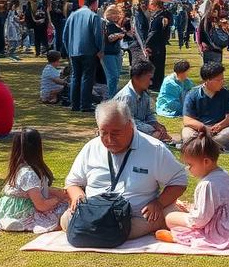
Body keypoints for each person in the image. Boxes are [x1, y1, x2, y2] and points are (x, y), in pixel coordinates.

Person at [60, 100, 188, 238]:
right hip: (93, 214)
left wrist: (158, 203)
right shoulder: (92, 147)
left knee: (164, 217)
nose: (109, 139)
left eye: (115, 133)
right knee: (66, 221)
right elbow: (73, 182)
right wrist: (78, 197)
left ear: (130, 125)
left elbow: (179, 180)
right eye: (103, 133)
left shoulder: (153, 149)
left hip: (135, 217)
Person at [156, 129, 229, 249]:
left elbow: (199, 220)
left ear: (206, 162)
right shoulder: (223, 174)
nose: (188, 168)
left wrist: (188, 216)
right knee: (178, 213)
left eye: (190, 165)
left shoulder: (207, 184)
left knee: (170, 218)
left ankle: (177, 236)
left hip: (220, 230)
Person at [0, 128, 68, 233]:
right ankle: (15, 222)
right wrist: (57, 200)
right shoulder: (29, 174)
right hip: (23, 211)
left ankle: (10, 220)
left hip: (8, 208)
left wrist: (56, 192)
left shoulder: (20, 167)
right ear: (37, 147)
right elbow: (41, 205)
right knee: (64, 210)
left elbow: (36, 190)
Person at [181, 62, 229, 149]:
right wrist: (204, 128)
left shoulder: (225, 93)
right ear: (207, 80)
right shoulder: (192, 94)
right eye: (218, 80)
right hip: (199, 130)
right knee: (186, 133)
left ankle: (201, 146)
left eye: (223, 79)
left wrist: (219, 126)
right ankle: (211, 146)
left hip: (219, 130)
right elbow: (187, 120)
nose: (222, 82)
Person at [63, 0, 104, 113]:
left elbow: (65, 35)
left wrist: (68, 50)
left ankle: (74, 104)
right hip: (89, 51)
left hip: (74, 51)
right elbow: (98, 36)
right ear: (94, 3)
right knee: (87, 77)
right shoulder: (93, 16)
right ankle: (85, 104)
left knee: (75, 77)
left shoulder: (72, 16)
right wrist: (100, 50)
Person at [115, 60, 172, 142]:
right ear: (136, 78)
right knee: (156, 137)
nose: (151, 83)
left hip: (141, 130)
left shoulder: (144, 94)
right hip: (124, 132)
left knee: (159, 135)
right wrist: (152, 130)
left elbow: (148, 114)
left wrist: (156, 125)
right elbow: (129, 123)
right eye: (149, 78)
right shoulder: (127, 97)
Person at [145, 0, 171, 91]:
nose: (150, 6)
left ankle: (156, 84)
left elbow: (154, 32)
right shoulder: (160, 16)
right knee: (157, 65)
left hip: (156, 45)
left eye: (151, 4)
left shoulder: (160, 17)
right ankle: (157, 83)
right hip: (159, 45)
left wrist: (146, 44)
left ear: (155, 6)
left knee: (156, 65)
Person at [101, 4, 126, 96]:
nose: (115, 15)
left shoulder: (115, 24)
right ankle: (110, 98)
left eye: (117, 13)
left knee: (115, 77)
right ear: (108, 14)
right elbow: (110, 38)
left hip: (117, 53)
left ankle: (112, 96)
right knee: (113, 77)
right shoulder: (106, 24)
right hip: (108, 53)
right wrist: (120, 35)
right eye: (113, 13)